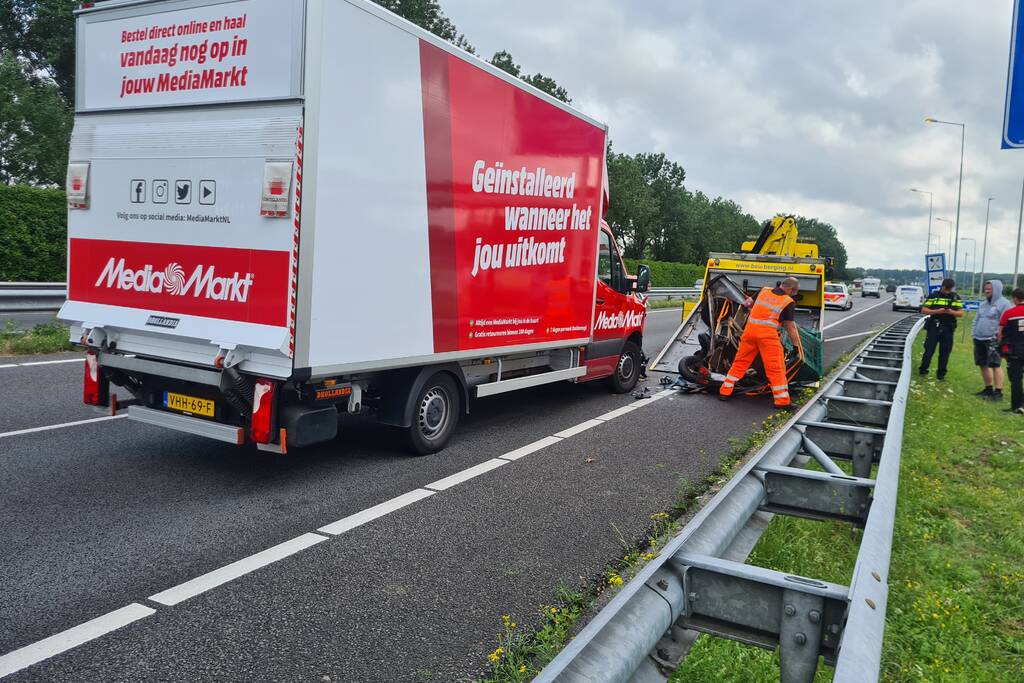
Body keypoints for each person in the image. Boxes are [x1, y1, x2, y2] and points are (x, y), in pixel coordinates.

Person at [720, 277, 803, 408]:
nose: (794, 294)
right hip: (767, 336)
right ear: (790, 289)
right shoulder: (788, 302)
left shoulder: (763, 291)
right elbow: (790, 326)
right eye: (794, 292)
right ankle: (782, 401)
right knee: (775, 368)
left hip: (749, 332)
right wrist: (796, 346)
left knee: (740, 362)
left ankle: (725, 391)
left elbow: (747, 304)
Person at [971, 280, 1010, 400]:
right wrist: (973, 333)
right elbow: (976, 319)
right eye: (985, 288)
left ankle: (998, 392)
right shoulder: (983, 304)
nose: (986, 291)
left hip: (993, 339)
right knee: (982, 364)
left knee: (995, 364)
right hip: (979, 338)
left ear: (997, 290)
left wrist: (999, 337)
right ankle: (988, 389)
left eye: (989, 289)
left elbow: (1006, 322)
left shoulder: (1004, 304)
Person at [919, 278, 964, 380]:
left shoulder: (955, 297)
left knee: (945, 352)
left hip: (948, 328)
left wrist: (951, 312)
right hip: (934, 326)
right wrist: (937, 311)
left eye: (949, 289)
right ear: (942, 286)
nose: (947, 291)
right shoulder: (934, 296)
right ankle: (923, 370)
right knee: (929, 350)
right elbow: (923, 309)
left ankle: (941, 375)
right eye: (945, 289)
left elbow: (960, 313)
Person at [997, 287, 1024, 415]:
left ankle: (1016, 406)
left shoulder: (1009, 313)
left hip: (1015, 351)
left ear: (1014, 298)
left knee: (1016, 379)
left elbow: (1000, 333)